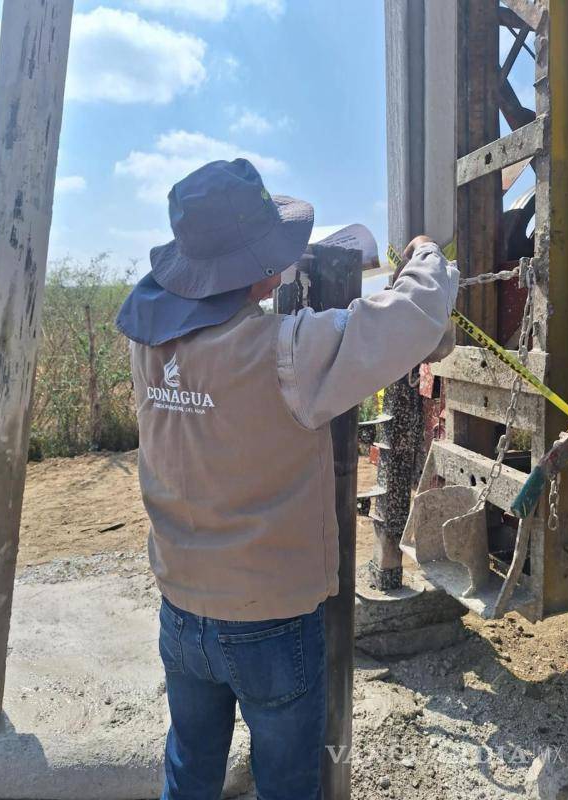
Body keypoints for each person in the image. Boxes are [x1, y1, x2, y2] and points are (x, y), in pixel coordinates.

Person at [116, 158, 459, 800]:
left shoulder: (148, 343)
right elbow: (412, 318)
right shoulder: (289, 352)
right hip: (270, 621)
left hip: (182, 611)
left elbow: (170, 301)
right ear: (259, 270)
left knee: (189, 768)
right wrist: (425, 253)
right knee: (289, 781)